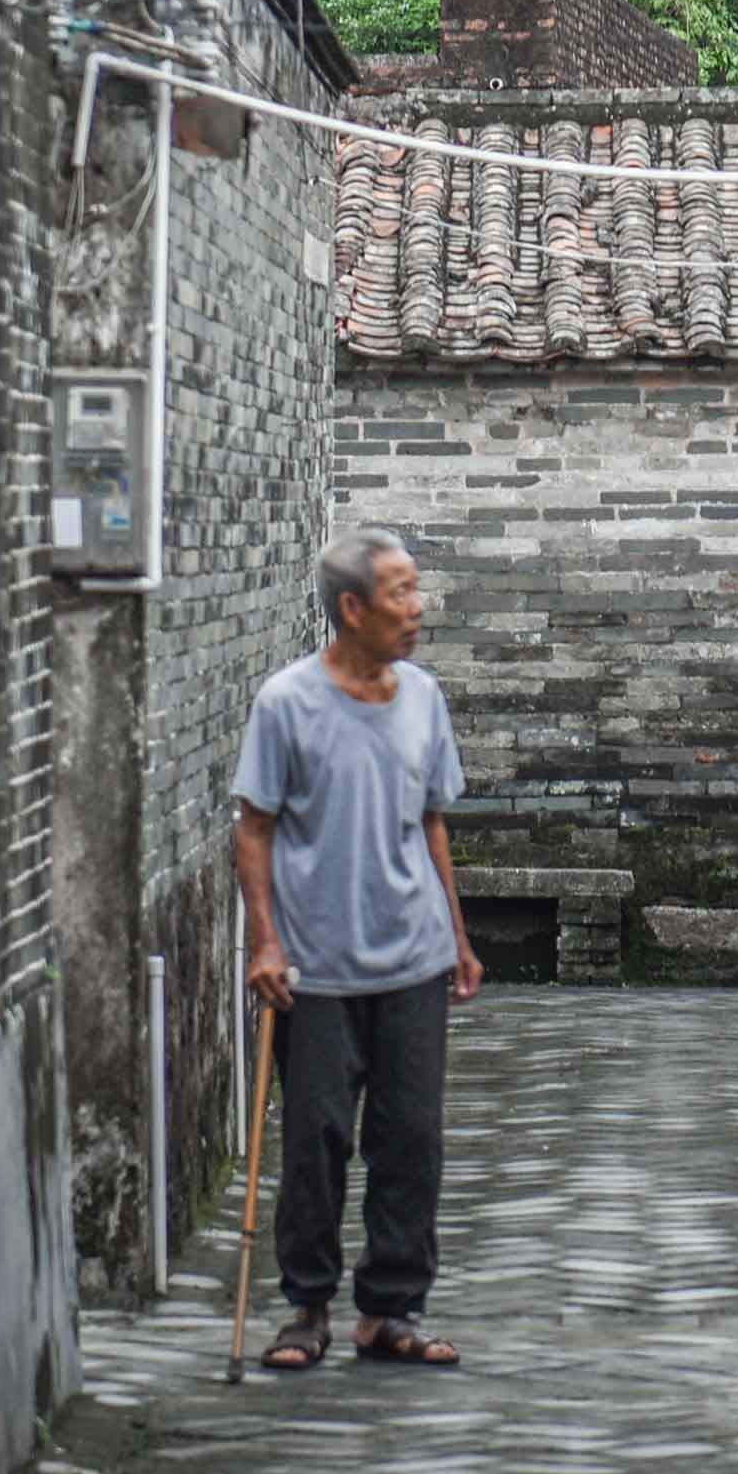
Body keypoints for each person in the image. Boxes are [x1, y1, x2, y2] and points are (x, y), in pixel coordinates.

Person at [233, 530, 482, 1369]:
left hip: (411, 953)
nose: (418, 609)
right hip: (316, 965)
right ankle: (306, 1306)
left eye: (416, 589)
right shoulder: (286, 702)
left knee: (412, 1138)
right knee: (316, 1139)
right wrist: (263, 941)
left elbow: (432, 820)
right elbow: (253, 828)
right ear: (352, 608)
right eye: (401, 593)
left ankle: (392, 1308)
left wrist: (456, 931)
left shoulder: (423, 698)